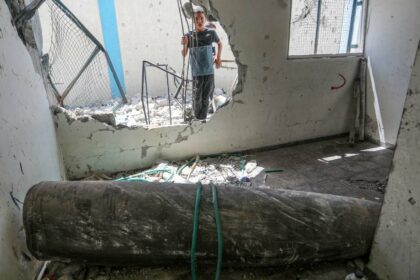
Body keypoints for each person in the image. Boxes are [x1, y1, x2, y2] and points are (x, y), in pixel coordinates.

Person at [181, 6, 222, 120]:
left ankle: (202, 119)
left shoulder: (211, 33)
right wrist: (184, 44)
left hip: (209, 71)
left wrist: (218, 58)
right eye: (196, 19)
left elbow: (220, 44)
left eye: (201, 18)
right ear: (193, 20)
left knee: (206, 96)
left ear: (205, 19)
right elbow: (184, 54)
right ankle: (196, 118)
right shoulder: (189, 36)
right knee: (196, 96)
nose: (199, 21)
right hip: (196, 73)